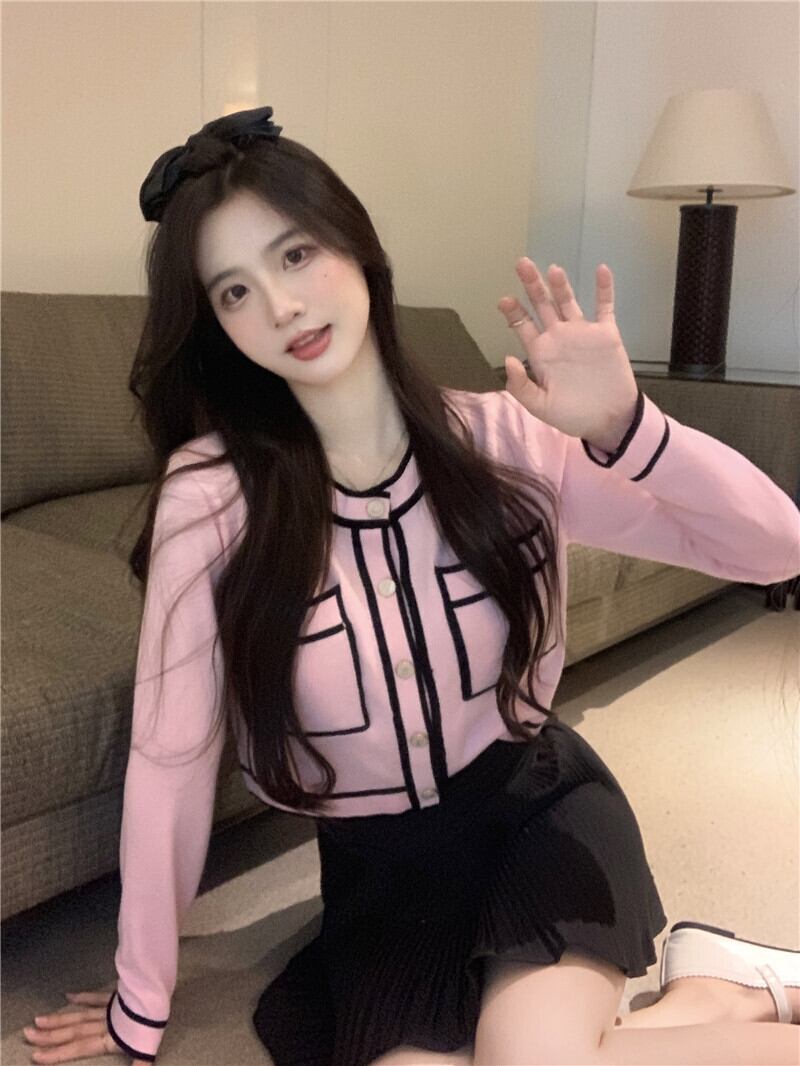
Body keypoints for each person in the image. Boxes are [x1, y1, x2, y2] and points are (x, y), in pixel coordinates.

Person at [23, 106, 800, 1066]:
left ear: (356, 246)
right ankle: (716, 994)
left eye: (296, 255)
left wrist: (629, 427)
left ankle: (716, 995)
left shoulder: (505, 441)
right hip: (383, 883)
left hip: (539, 817)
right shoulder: (210, 500)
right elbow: (170, 759)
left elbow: (774, 549)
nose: (282, 305)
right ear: (216, 324)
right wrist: (140, 1002)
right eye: (235, 290)